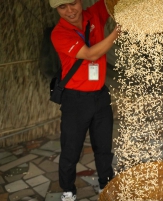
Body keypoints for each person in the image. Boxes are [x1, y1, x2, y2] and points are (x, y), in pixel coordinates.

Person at [48, 0, 119, 200]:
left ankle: (105, 184)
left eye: (73, 4)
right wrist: (116, 32)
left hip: (100, 95)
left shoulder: (94, 14)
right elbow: (90, 54)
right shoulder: (59, 33)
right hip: (75, 101)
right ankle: (68, 190)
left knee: (104, 147)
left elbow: (113, 2)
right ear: (56, 9)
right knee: (71, 150)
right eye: (62, 7)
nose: (70, 11)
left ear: (80, 2)